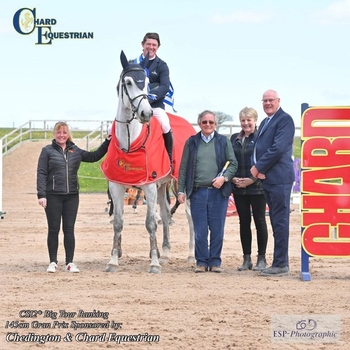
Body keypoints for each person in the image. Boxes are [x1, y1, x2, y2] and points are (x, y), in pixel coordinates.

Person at [37, 122, 111, 273]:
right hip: (53, 196)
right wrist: (41, 195)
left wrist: (107, 141)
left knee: (69, 229)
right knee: (53, 230)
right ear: (54, 134)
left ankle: (70, 262)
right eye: (59, 133)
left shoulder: (75, 150)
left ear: (68, 134)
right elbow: (41, 173)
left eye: (64, 133)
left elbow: (93, 156)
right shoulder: (47, 151)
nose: (61, 135)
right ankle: (53, 262)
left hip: (72, 197)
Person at [178, 110, 237, 273]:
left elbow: (233, 163)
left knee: (217, 229)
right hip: (197, 193)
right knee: (200, 229)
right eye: (205, 122)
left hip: (218, 193)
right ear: (199, 123)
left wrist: (223, 178)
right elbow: (183, 168)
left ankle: (215, 261)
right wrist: (180, 190)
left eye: (211, 122)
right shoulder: (191, 142)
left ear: (215, 124)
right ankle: (201, 262)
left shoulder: (223, 141)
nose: (208, 125)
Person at [250, 90, 295, 276]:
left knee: (280, 221)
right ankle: (279, 262)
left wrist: (258, 167)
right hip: (268, 178)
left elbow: (278, 148)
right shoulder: (265, 122)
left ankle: (281, 264)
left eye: (271, 100)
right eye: (265, 100)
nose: (268, 103)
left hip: (279, 178)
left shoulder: (284, 120)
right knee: (276, 221)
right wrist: (258, 169)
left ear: (278, 101)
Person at [230, 107, 268, 272]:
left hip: (258, 187)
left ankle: (262, 258)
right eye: (243, 120)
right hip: (239, 187)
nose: (246, 123)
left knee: (260, 221)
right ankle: (247, 259)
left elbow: (266, 161)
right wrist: (232, 178)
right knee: (244, 222)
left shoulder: (262, 137)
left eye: (249, 120)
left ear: (255, 121)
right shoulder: (233, 138)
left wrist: (251, 180)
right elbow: (229, 160)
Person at [133, 32, 173, 167]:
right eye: (148, 44)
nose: (151, 47)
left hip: (155, 105)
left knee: (165, 124)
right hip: (134, 106)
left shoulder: (162, 65)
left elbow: (165, 86)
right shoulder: (133, 63)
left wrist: (148, 98)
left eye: (154, 45)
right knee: (112, 129)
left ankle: (169, 158)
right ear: (142, 45)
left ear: (158, 47)